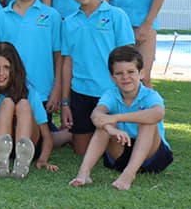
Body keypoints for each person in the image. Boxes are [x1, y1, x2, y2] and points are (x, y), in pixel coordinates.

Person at [69, 45, 173, 190]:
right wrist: (111, 129)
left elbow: (158, 113)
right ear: (112, 77)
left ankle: (129, 174)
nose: (125, 77)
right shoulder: (111, 94)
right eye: (119, 73)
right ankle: (84, 173)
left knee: (147, 121)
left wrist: (116, 118)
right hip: (121, 150)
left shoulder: (150, 95)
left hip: (152, 156)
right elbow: (96, 115)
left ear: (141, 73)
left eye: (131, 71)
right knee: (103, 124)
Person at [0, 0, 67, 146]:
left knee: (34, 138)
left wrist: (57, 89)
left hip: (42, 90)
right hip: (5, 89)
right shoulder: (1, 16)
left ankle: (65, 135)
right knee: (8, 132)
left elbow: (58, 55)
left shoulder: (51, 16)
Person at [60, 0, 135, 155]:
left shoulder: (116, 16)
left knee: (114, 152)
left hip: (111, 93)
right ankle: (71, 134)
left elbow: (129, 58)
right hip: (81, 93)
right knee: (82, 152)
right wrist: (65, 102)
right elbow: (67, 63)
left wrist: (128, 95)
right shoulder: (68, 23)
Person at [0, 42, 57, 178]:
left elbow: (47, 136)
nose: (1, 73)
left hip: (29, 143)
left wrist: (43, 160)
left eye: (6, 67)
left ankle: (22, 161)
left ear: (14, 69)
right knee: (7, 103)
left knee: (23, 104)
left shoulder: (29, 91)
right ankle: (1, 161)